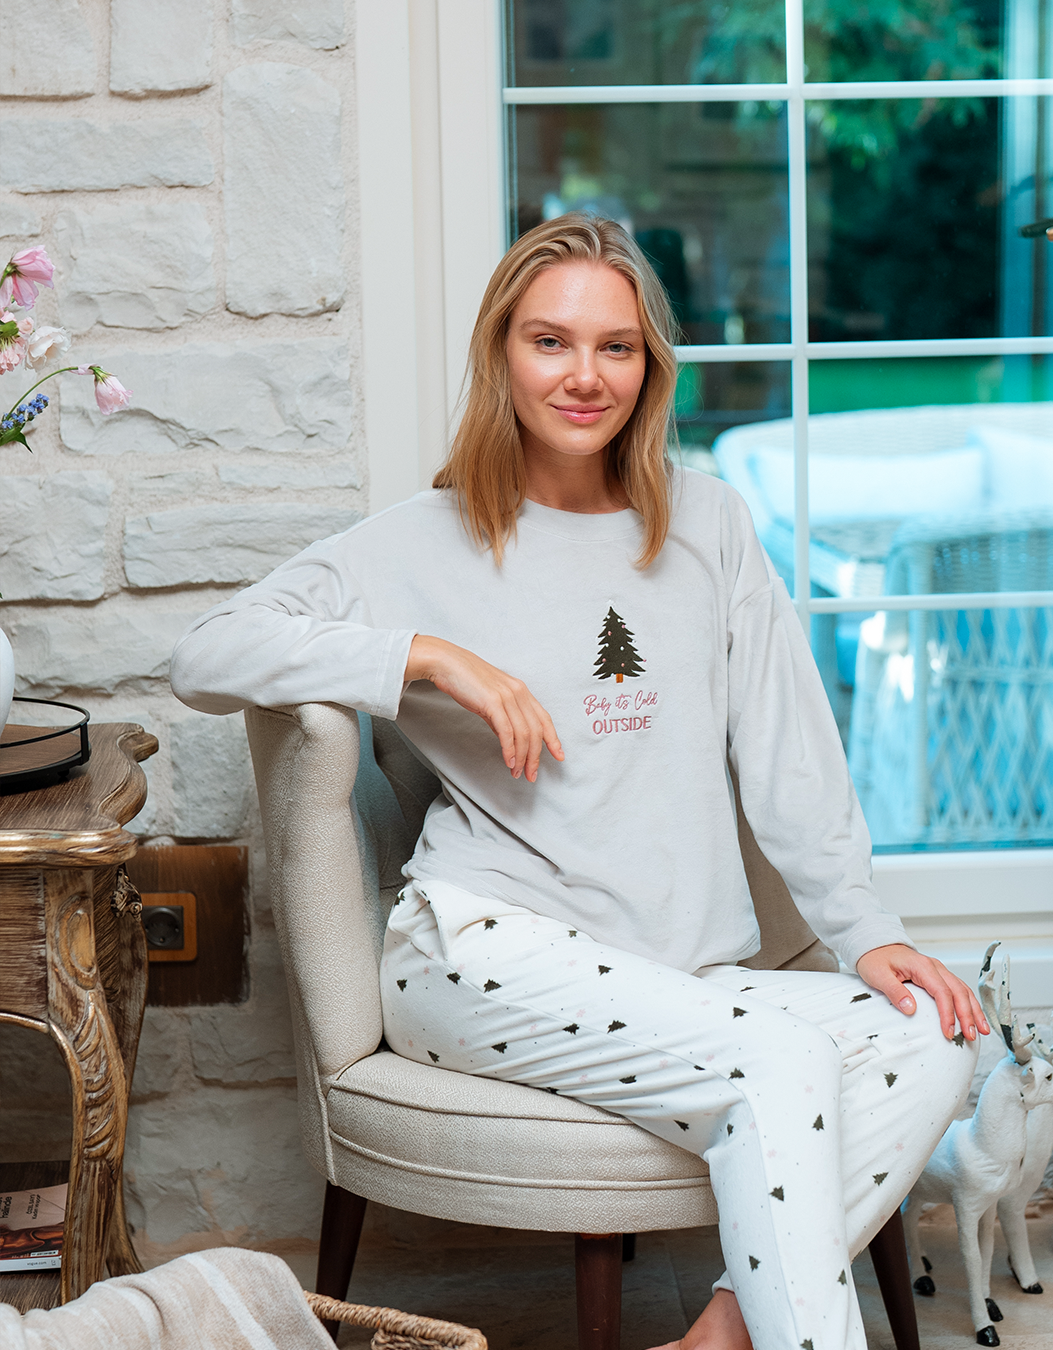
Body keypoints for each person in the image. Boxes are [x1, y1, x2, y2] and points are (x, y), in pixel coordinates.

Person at [171, 215, 988, 1350]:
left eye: (617, 346)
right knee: (783, 1059)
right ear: (501, 353)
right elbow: (205, 655)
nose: (584, 376)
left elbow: (790, 753)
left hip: (681, 967)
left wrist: (867, 933)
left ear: (651, 367)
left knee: (938, 1031)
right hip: (479, 955)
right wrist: (426, 657)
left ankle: (721, 1332)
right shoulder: (420, 541)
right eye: (550, 341)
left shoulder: (709, 523)